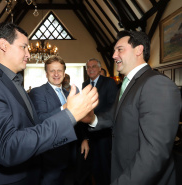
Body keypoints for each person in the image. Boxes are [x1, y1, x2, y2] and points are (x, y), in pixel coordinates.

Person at [0, 22, 98, 185]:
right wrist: (69, 115)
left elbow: (34, 125)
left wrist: (69, 111)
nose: (28, 53)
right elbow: (7, 148)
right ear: (4, 45)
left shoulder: (13, 81)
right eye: (23, 47)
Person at [89, 30, 181, 185]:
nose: (113, 56)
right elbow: (114, 116)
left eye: (120, 49)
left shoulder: (157, 84)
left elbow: (154, 153)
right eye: (114, 51)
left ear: (139, 50)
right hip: (124, 169)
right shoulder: (128, 84)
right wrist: (91, 118)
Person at [29, 57, 90, 185]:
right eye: (52, 71)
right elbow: (41, 120)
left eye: (59, 71)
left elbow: (77, 120)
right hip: (51, 156)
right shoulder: (38, 92)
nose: (56, 74)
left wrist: (84, 138)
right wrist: (65, 107)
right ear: (46, 74)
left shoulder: (68, 94)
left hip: (70, 154)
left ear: (64, 73)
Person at [83, 58, 118, 185]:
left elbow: (112, 107)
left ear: (99, 68)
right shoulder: (85, 84)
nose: (91, 69)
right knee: (93, 164)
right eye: (88, 67)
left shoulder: (109, 82)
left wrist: (95, 118)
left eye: (93, 66)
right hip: (90, 131)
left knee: (105, 164)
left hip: (104, 131)